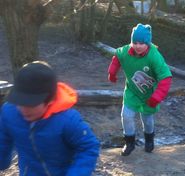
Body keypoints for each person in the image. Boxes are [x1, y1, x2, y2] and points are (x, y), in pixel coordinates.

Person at [0, 61, 100, 175]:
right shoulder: (9, 112)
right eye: (19, 101)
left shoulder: (67, 120)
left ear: (49, 100)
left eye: (31, 104)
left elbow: (88, 147)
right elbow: (3, 139)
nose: (23, 109)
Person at [108, 23, 172, 156]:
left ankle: (149, 140)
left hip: (150, 95)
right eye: (135, 42)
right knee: (126, 116)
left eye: (141, 43)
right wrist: (112, 72)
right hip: (132, 91)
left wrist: (157, 97)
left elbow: (166, 78)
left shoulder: (154, 56)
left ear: (148, 43)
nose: (138, 46)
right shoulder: (125, 51)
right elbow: (117, 57)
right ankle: (129, 142)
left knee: (147, 119)